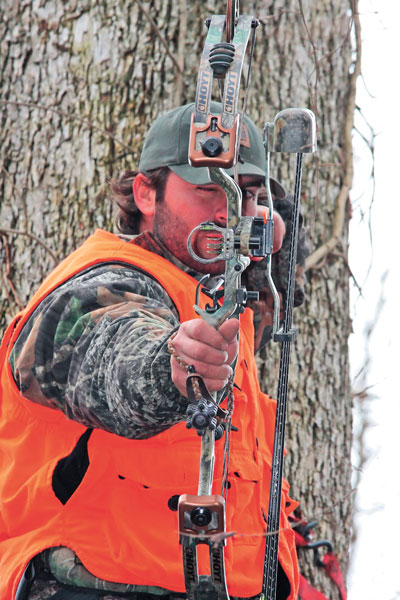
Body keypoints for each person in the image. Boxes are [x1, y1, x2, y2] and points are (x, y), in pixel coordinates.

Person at [0, 103, 309, 600]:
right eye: (210, 189)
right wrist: (169, 367)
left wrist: (271, 245)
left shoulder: (224, 304)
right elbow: (105, 351)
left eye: (249, 195)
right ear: (146, 192)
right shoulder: (105, 280)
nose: (231, 211)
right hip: (90, 584)